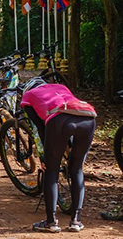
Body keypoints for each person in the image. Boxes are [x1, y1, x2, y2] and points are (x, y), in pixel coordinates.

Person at [20, 78, 96, 233]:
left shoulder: (28, 96)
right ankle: (76, 220)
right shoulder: (61, 86)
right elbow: (71, 110)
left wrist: (43, 155)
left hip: (59, 120)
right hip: (88, 117)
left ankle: (51, 222)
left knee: (51, 170)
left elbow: (39, 129)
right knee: (76, 169)